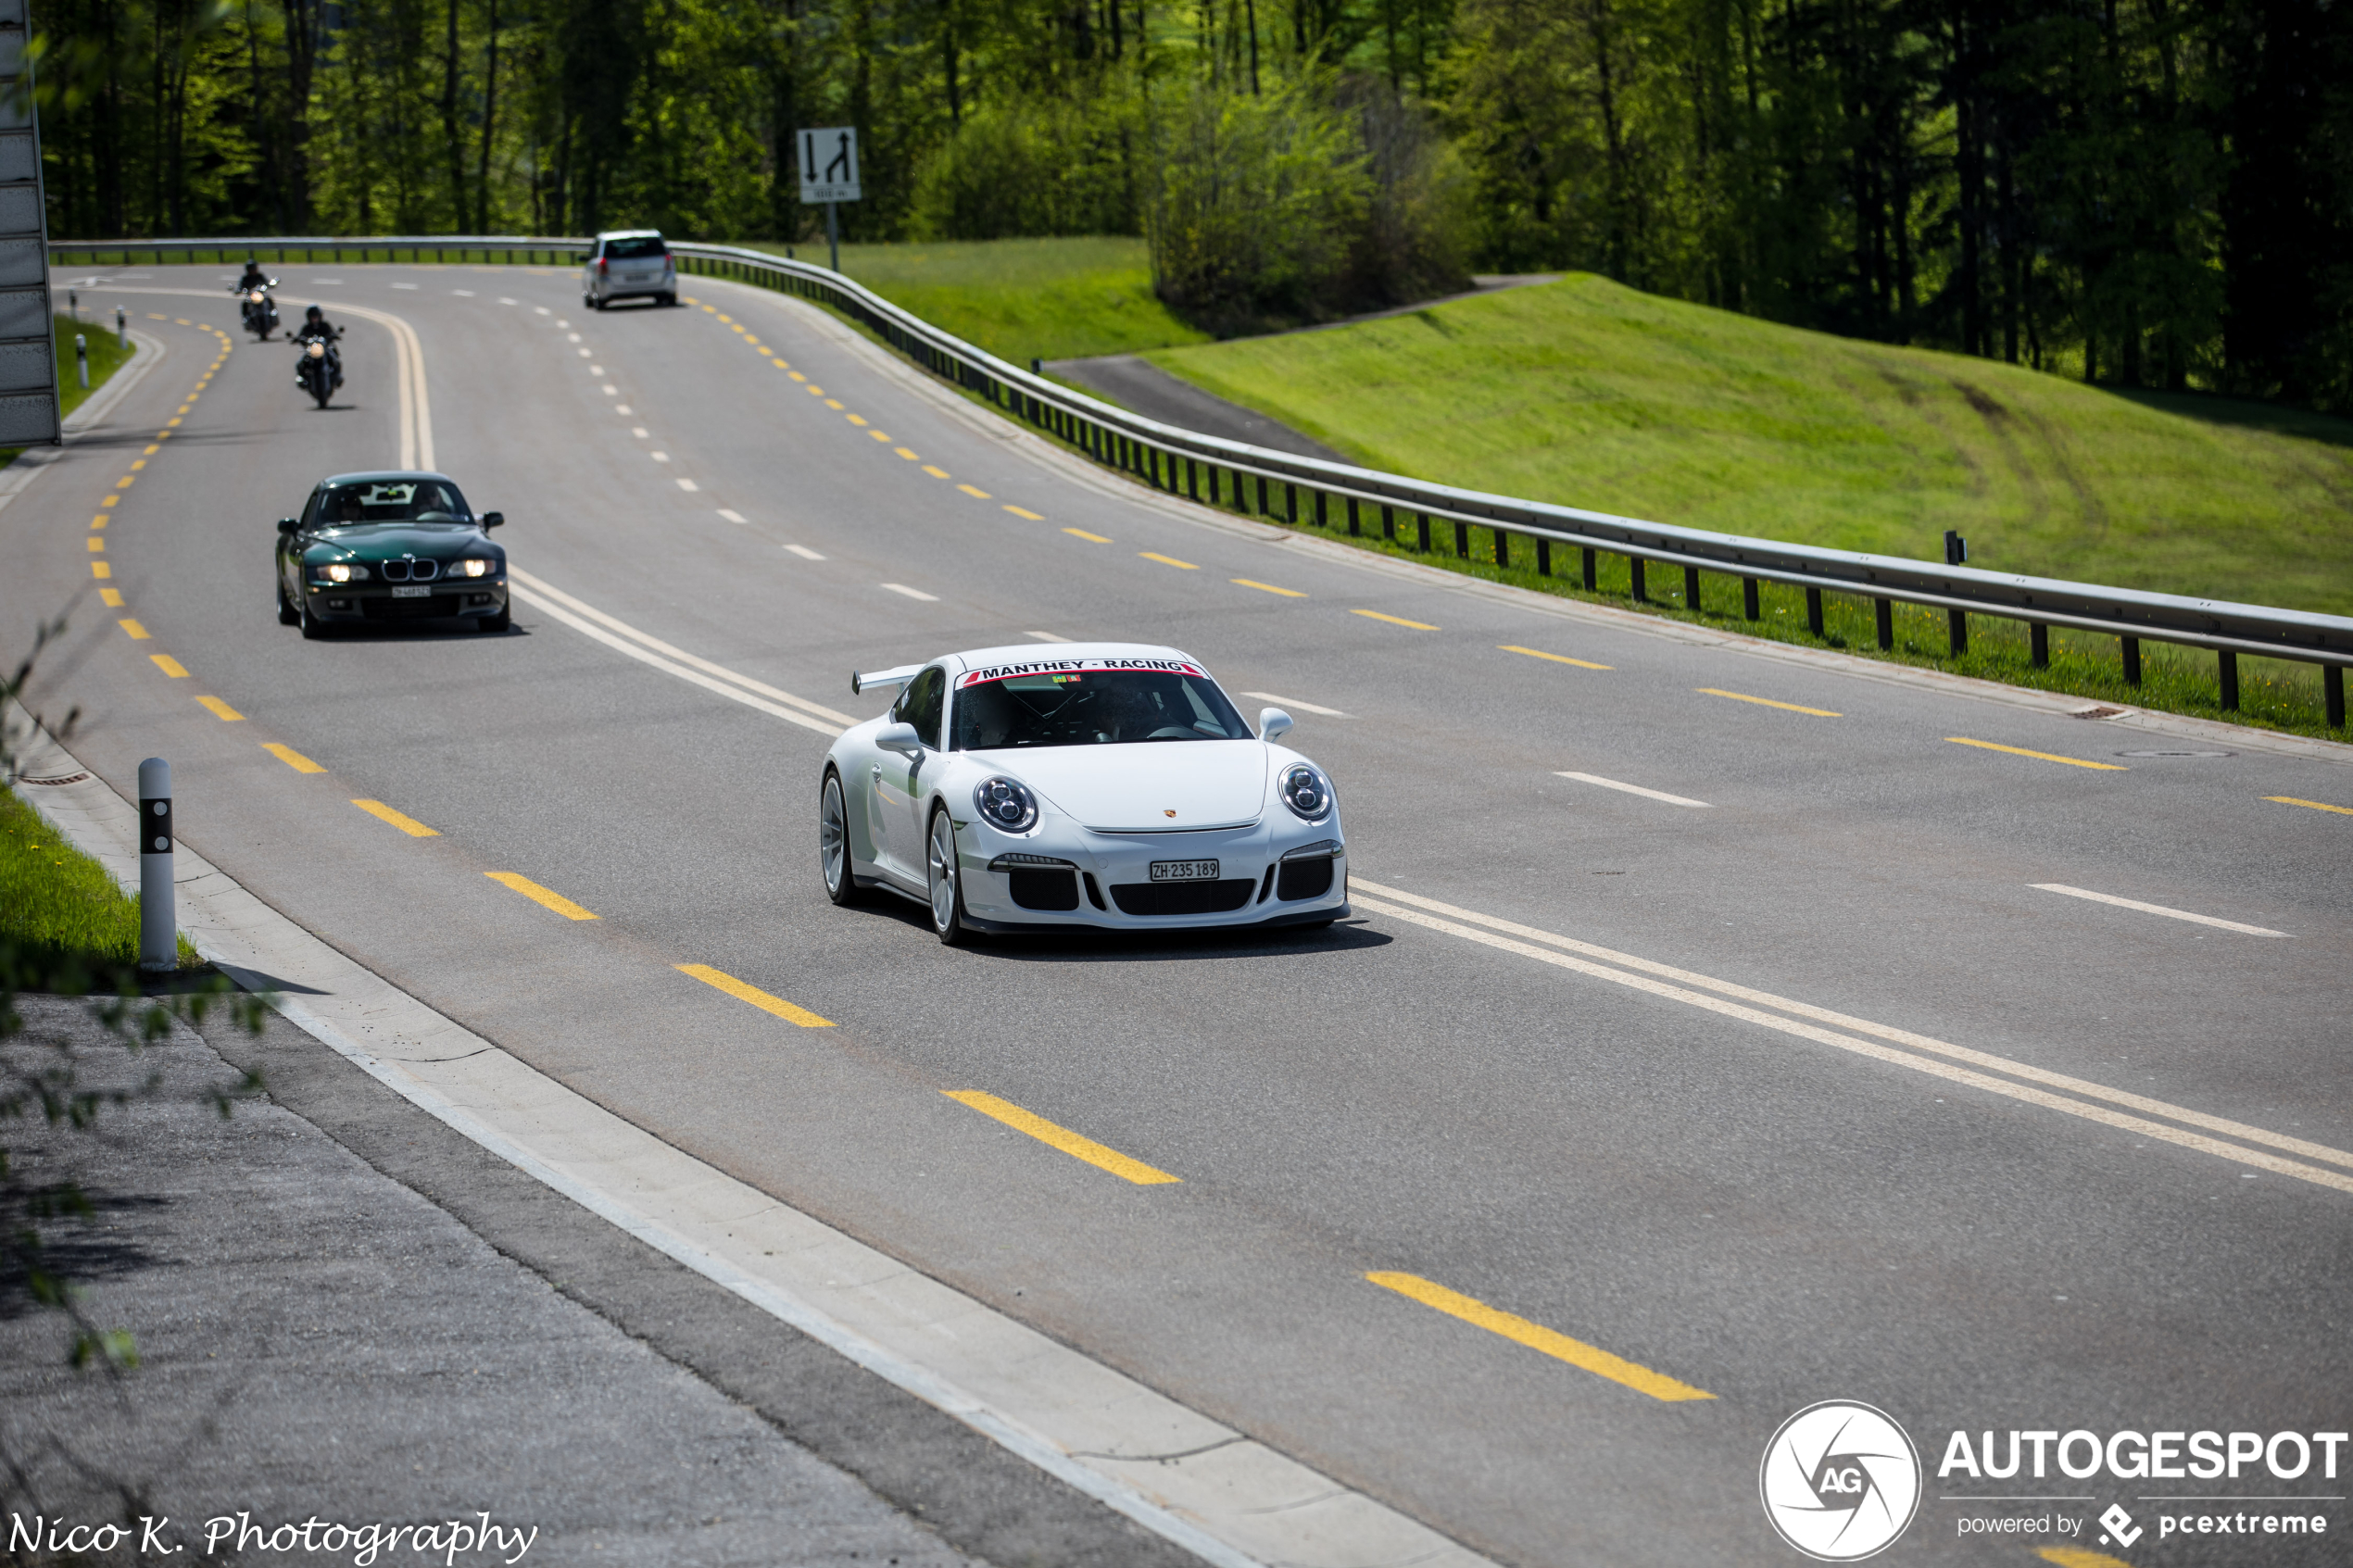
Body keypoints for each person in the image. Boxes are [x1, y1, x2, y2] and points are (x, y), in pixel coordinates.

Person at [293, 305, 344, 390]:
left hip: (325, 350)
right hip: (311, 351)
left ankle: (337, 378)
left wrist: (334, 336)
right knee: (300, 364)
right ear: (309, 317)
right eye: (312, 317)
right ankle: (302, 379)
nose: (314, 319)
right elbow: (301, 336)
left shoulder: (325, 325)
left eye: (316, 317)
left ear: (320, 316)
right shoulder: (306, 327)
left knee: (336, 361)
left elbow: (331, 333)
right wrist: (298, 339)